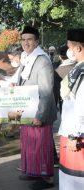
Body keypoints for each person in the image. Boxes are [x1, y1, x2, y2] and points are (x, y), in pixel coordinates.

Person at [17, 26, 57, 189]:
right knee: (29, 144)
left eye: (30, 39)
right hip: (28, 110)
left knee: (41, 146)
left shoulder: (42, 60)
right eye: (23, 39)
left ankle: (47, 178)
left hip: (40, 112)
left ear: (36, 41)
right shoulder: (26, 58)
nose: (26, 43)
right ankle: (33, 172)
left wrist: (40, 116)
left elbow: (47, 91)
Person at [58, 28, 84, 190]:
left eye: (69, 46)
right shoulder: (78, 68)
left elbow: (82, 106)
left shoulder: (82, 73)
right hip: (72, 131)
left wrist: (74, 135)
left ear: (78, 48)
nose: (68, 50)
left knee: (75, 180)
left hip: (77, 135)